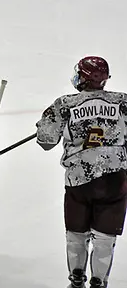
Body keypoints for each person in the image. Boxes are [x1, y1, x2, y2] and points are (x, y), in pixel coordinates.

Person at [36, 56, 127, 288]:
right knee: (105, 239)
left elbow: (46, 141)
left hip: (79, 181)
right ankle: (99, 282)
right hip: (115, 180)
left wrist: (44, 128)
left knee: (76, 234)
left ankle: (76, 280)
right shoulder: (123, 102)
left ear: (83, 77)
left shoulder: (65, 104)